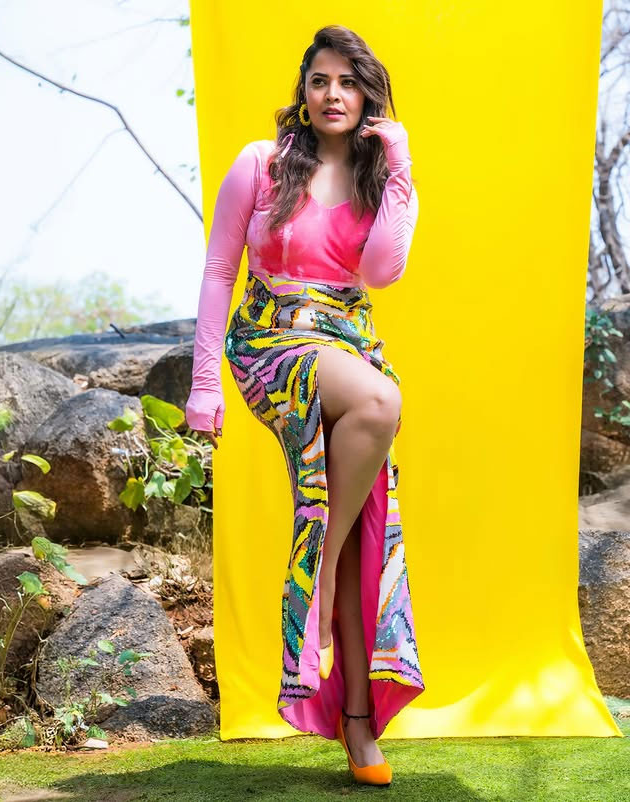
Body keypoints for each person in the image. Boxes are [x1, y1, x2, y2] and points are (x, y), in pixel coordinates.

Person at [185, 24, 425, 787]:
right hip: (269, 343)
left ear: (369, 98)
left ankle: (357, 725)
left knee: (358, 528)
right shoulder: (260, 165)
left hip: (347, 340)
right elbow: (220, 270)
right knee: (381, 403)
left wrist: (398, 170)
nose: (333, 94)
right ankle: (313, 585)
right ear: (304, 90)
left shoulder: (379, 180)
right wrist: (203, 383)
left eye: (348, 82)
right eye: (320, 80)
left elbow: (381, 273)